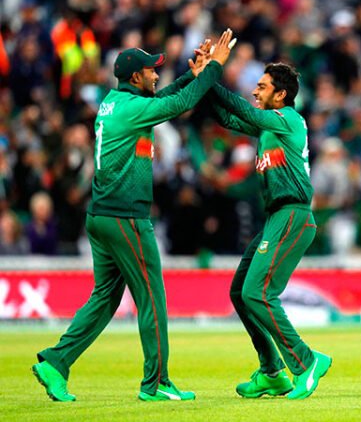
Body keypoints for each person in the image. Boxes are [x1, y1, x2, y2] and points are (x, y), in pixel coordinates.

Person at [32, 30, 235, 402]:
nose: (156, 75)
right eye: (151, 70)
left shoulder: (115, 102)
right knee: (152, 298)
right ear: (136, 76)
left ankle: (56, 362)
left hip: (102, 216)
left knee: (105, 298)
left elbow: (165, 98)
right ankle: (156, 383)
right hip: (126, 216)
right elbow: (181, 103)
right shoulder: (131, 109)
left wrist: (191, 75)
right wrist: (214, 68)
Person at [202, 61, 331, 400]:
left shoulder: (288, 120)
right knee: (240, 293)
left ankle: (306, 361)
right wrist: (200, 82)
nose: (255, 91)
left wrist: (211, 73)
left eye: (262, 86)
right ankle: (272, 372)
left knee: (257, 293)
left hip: (293, 215)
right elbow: (228, 118)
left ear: (281, 94)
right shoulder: (268, 126)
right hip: (276, 218)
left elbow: (242, 110)